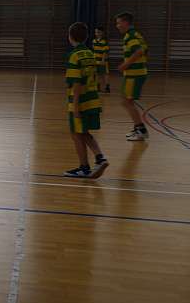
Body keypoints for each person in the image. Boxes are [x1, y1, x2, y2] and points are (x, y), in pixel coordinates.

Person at [63, 22, 108, 178]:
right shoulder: (90, 53)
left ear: (70, 37)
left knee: (75, 133)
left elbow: (76, 83)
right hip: (92, 99)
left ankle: (84, 167)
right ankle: (100, 158)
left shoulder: (74, 56)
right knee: (83, 132)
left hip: (80, 101)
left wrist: (75, 106)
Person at [115, 12, 149, 142]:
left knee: (127, 102)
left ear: (125, 22)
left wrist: (125, 64)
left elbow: (139, 51)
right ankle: (138, 128)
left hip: (135, 74)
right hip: (134, 73)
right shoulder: (136, 34)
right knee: (126, 101)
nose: (117, 26)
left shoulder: (130, 36)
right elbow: (144, 49)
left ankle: (141, 131)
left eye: (119, 23)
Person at [92, 26, 109, 93]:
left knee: (105, 74)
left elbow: (105, 52)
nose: (97, 33)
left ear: (102, 32)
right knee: (97, 74)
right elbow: (94, 51)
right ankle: (98, 86)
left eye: (98, 32)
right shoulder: (94, 41)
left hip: (102, 61)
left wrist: (103, 60)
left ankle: (107, 87)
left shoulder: (104, 41)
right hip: (96, 60)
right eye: (96, 32)